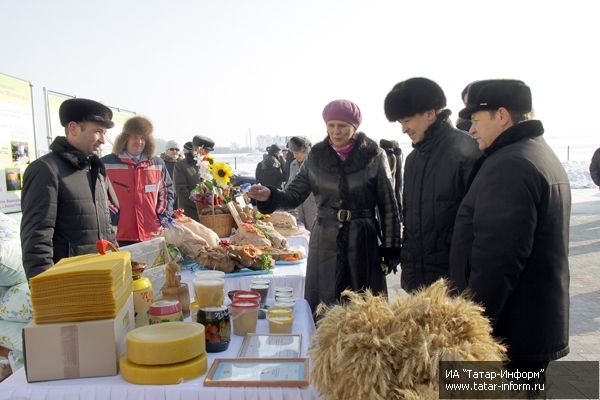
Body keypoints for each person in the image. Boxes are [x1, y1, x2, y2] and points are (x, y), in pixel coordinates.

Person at [449, 79, 570, 388]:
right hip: (530, 328)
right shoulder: (536, 153)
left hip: (509, 335)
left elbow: (498, 259)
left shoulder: (510, 164)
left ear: (501, 116)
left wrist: (473, 327)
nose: (471, 130)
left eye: (476, 120)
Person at [248, 99, 401, 315]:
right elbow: (293, 195)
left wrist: (391, 248)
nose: (336, 132)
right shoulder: (316, 157)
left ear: (354, 127)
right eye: (331, 125)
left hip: (363, 240)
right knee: (325, 306)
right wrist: (270, 195)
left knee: (366, 311)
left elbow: (388, 205)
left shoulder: (374, 155)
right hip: (325, 240)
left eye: (343, 126)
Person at [384, 77, 481, 293]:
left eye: (407, 120)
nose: (403, 129)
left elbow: (481, 227)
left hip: (455, 285)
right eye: (400, 123)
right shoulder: (413, 160)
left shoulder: (468, 151)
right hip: (418, 285)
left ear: (430, 113)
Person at [20, 98, 117, 280]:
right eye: (97, 132)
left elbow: (107, 230)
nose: (103, 140)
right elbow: (37, 238)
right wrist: (45, 290)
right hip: (68, 283)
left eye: (104, 133)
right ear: (73, 128)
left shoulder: (94, 170)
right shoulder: (46, 170)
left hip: (100, 279)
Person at [102, 116, 174, 246]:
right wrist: (115, 218)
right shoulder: (107, 163)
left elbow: (167, 192)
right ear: (125, 138)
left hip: (152, 234)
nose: (139, 142)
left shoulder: (157, 163)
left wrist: (160, 217)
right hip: (120, 235)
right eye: (135, 137)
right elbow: (100, 196)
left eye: (143, 138)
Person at [173, 135, 214, 222]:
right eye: (205, 150)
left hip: (210, 214)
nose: (207, 154)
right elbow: (181, 190)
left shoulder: (210, 164)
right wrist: (200, 205)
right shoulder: (181, 166)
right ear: (195, 148)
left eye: (208, 151)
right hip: (191, 215)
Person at [286, 136, 317, 230]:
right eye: (293, 153)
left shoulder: (317, 164)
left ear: (306, 151)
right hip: (299, 208)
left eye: (297, 153)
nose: (295, 156)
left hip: (314, 207)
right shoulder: (294, 164)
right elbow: (290, 183)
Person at [379, 139, 402, 219]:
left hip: (388, 195)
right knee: (397, 188)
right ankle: (399, 213)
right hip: (395, 190)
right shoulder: (396, 156)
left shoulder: (388, 156)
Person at [160, 140, 183, 208]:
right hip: (166, 195)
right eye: (172, 149)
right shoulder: (162, 163)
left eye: (177, 149)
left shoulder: (182, 163)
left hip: (180, 196)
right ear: (167, 151)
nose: (174, 151)